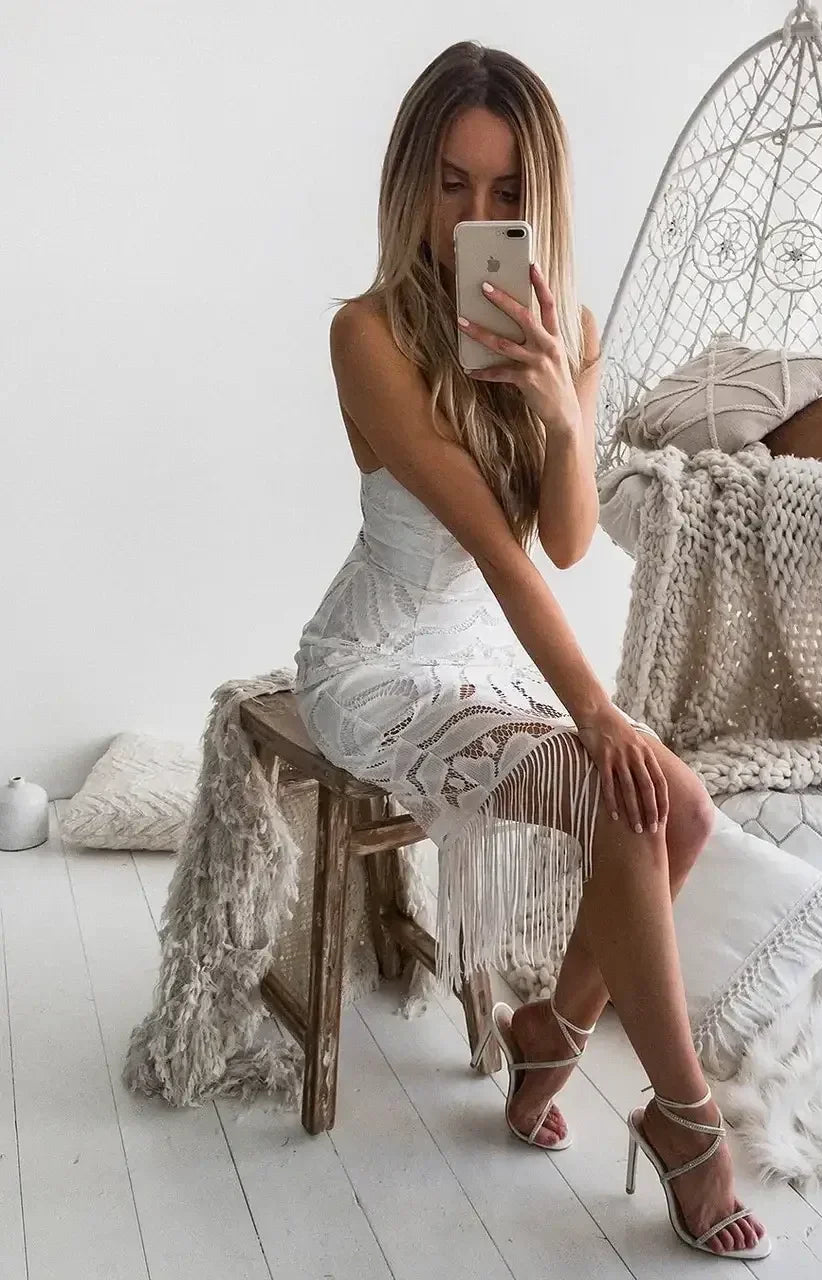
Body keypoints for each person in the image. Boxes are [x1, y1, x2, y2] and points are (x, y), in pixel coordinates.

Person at [293, 39, 769, 1260]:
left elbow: (561, 539)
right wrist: (598, 711)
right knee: (627, 785)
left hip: (490, 654)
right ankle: (685, 1121)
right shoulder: (366, 335)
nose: (474, 216)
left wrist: (561, 405)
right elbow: (495, 555)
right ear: (410, 182)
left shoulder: (571, 328)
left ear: (538, 194)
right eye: (451, 183)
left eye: (505, 191)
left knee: (682, 808)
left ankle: (547, 1033)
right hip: (379, 659)